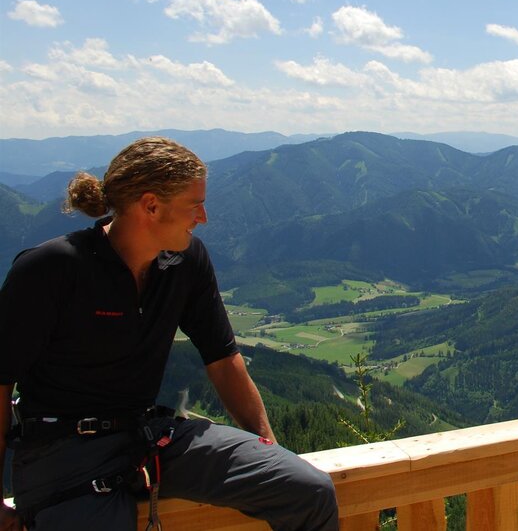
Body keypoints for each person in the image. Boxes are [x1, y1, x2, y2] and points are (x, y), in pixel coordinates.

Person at [0, 137, 338, 531]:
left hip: (149, 436)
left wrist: (271, 451)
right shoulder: (52, 267)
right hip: (59, 453)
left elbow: (224, 360)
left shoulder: (187, 261)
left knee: (308, 489)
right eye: (195, 204)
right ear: (150, 205)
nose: (204, 217)